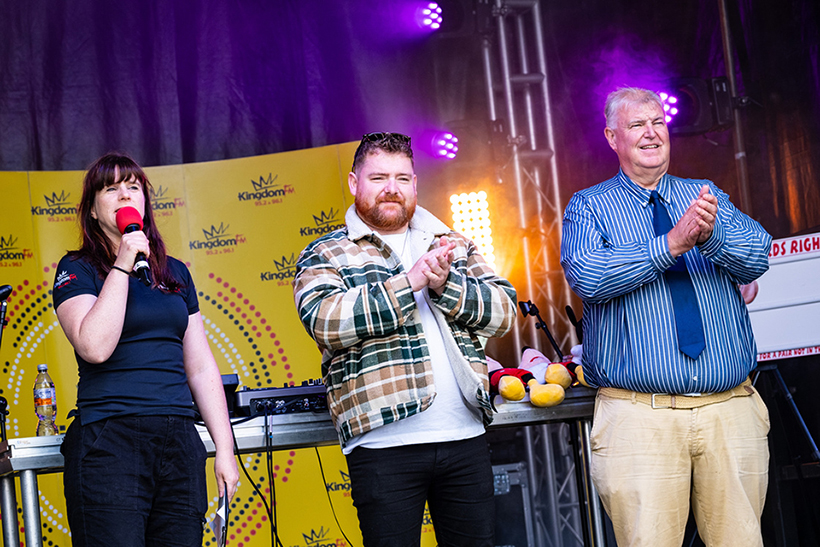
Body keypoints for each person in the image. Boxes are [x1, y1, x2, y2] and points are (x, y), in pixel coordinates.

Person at [560, 87, 772, 547]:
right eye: (637, 125)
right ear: (612, 137)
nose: (651, 132)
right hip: (641, 417)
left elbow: (757, 255)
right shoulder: (589, 206)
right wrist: (670, 245)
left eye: (658, 122)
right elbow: (589, 278)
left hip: (729, 410)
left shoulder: (706, 196)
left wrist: (713, 235)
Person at [292, 132, 517, 546]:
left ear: (415, 184)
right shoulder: (325, 253)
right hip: (383, 444)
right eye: (378, 177)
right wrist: (408, 283)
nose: (391, 188)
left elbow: (504, 312)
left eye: (401, 178)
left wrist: (446, 286)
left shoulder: (452, 243)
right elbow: (326, 320)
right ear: (353, 183)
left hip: (464, 436)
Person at [52, 153, 239, 546]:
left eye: (133, 188)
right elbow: (93, 346)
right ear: (91, 211)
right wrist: (121, 263)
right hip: (111, 439)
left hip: (178, 441)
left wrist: (225, 449)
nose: (124, 196)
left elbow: (201, 366)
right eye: (111, 189)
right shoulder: (77, 269)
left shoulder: (174, 272)